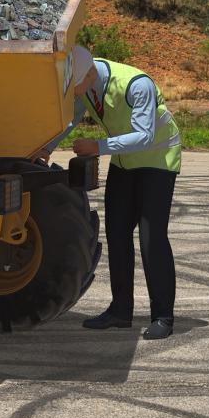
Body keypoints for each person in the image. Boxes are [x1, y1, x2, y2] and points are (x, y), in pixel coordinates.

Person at [39, 46, 182, 340]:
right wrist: (45, 148)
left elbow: (145, 135)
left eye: (75, 86)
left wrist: (98, 147)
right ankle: (120, 311)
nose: (74, 92)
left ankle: (163, 316)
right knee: (117, 234)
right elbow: (71, 118)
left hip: (158, 161)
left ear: (90, 73)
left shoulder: (135, 84)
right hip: (125, 162)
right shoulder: (86, 83)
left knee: (151, 238)